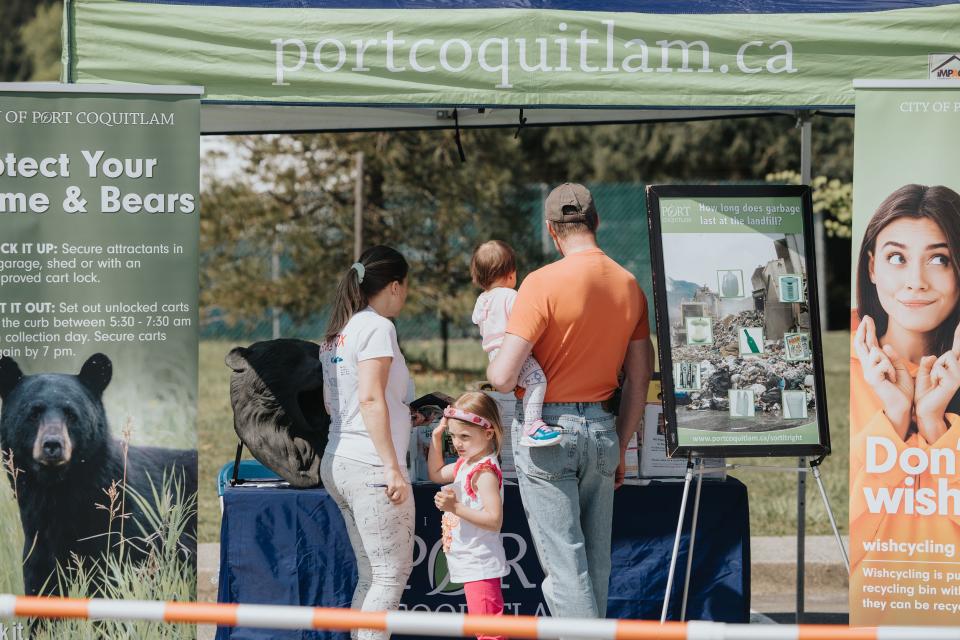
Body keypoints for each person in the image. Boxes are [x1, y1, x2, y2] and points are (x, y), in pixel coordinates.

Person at [486, 183, 652, 622]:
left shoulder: (540, 283)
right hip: (603, 431)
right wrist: (621, 443)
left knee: (565, 569)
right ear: (596, 221)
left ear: (550, 229)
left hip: (547, 434)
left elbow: (502, 377)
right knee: (596, 564)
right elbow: (639, 379)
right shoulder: (629, 285)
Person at [850, 184, 960, 624]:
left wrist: (935, 425)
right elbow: (847, 533)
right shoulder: (849, 374)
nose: (916, 280)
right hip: (872, 613)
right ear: (872, 267)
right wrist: (894, 420)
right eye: (897, 257)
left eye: (939, 259)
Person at [319, 245, 413, 640]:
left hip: (340, 459)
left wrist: (405, 412)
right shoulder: (378, 328)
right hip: (371, 466)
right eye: (406, 286)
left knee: (372, 575)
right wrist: (392, 467)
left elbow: (333, 403)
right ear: (394, 286)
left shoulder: (337, 334)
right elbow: (370, 398)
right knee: (389, 576)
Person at [428, 391, 507, 640]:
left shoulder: (484, 473)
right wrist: (436, 437)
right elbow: (437, 473)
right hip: (471, 561)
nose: (457, 443)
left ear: (488, 433)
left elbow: (494, 520)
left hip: (479, 562)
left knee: (489, 633)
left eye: (465, 436)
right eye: (453, 436)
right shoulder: (467, 463)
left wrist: (455, 508)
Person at [471, 240, 560, 446]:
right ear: (511, 274)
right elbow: (526, 320)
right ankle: (533, 424)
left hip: (495, 356)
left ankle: (530, 422)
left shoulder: (482, 300)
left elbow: (477, 320)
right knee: (537, 381)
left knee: (526, 383)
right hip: (513, 352)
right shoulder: (511, 296)